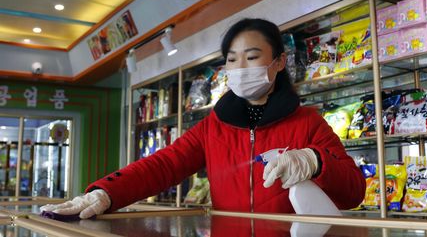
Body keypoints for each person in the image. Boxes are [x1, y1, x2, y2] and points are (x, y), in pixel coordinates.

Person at [41, 18, 365, 219]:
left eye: (252, 57)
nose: (240, 68)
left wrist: (316, 161)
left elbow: (354, 192)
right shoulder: (214, 125)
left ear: (279, 62)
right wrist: (105, 193)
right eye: (232, 59)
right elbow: (164, 165)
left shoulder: (307, 121)